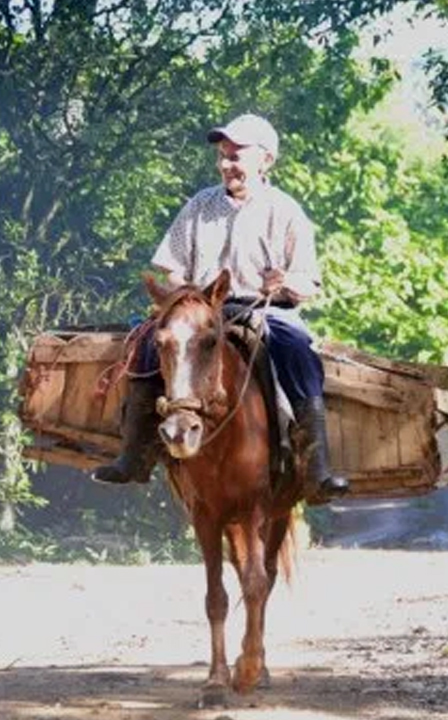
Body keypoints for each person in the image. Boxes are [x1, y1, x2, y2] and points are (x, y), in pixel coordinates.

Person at [93, 113, 350, 499]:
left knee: (297, 353)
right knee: (149, 344)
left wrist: (284, 282)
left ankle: (316, 469)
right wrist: (188, 295)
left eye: (236, 156)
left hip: (264, 310)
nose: (227, 165)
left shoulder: (286, 211)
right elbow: (172, 269)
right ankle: (134, 455)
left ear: (265, 160)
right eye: (223, 156)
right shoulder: (199, 206)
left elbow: (308, 282)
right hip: (200, 310)